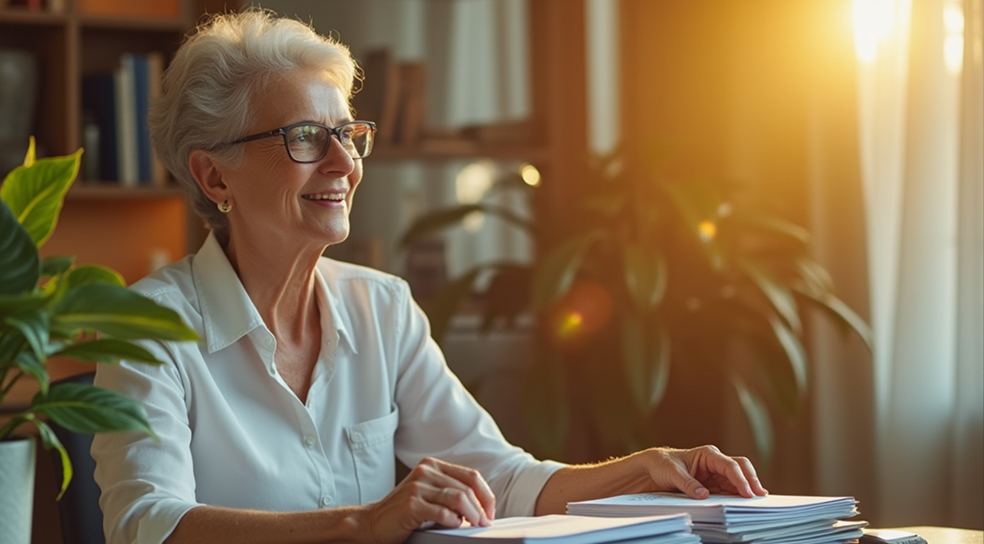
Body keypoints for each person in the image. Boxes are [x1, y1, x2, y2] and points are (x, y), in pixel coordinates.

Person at [90, 8, 768, 544]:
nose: (344, 164)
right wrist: (363, 523)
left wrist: (641, 469)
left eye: (347, 134)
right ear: (214, 176)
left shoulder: (382, 308)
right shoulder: (146, 328)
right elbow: (148, 524)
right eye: (305, 138)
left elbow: (499, 478)